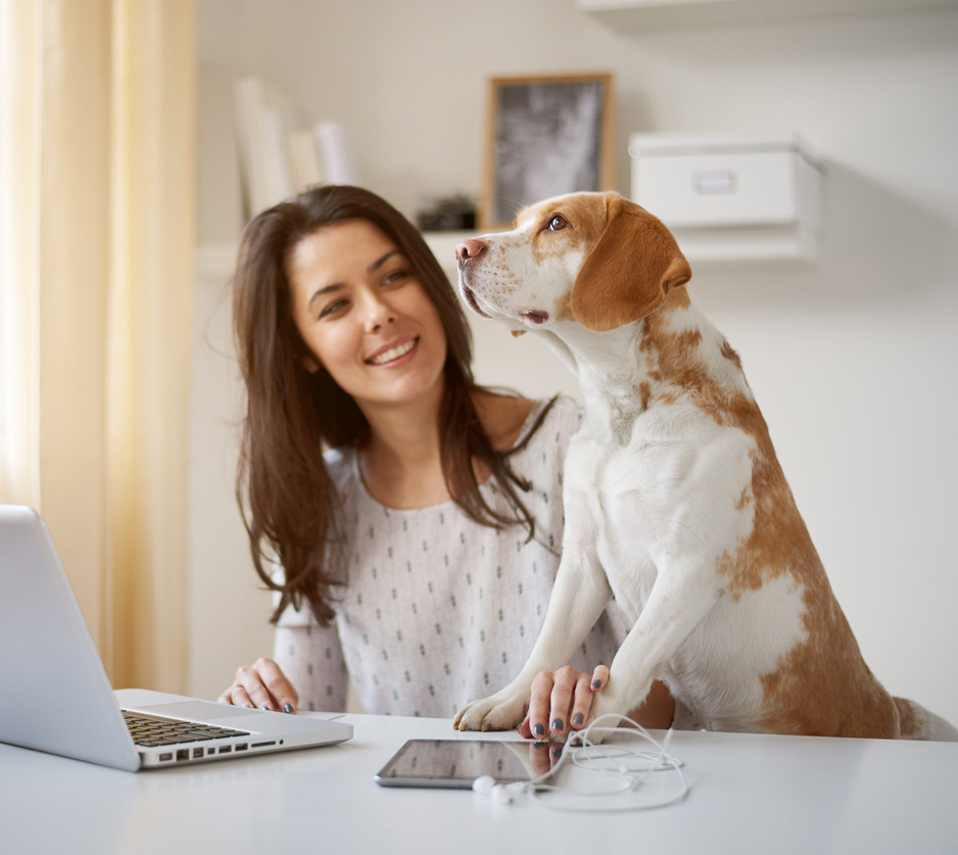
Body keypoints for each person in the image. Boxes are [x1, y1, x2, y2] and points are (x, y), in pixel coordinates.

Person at [220, 184, 689, 740]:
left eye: (393, 277)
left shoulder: (575, 446)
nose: (379, 314)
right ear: (302, 349)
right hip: (409, 822)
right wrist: (259, 712)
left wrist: (595, 705)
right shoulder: (318, 504)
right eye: (336, 305)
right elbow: (307, 721)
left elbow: (680, 699)